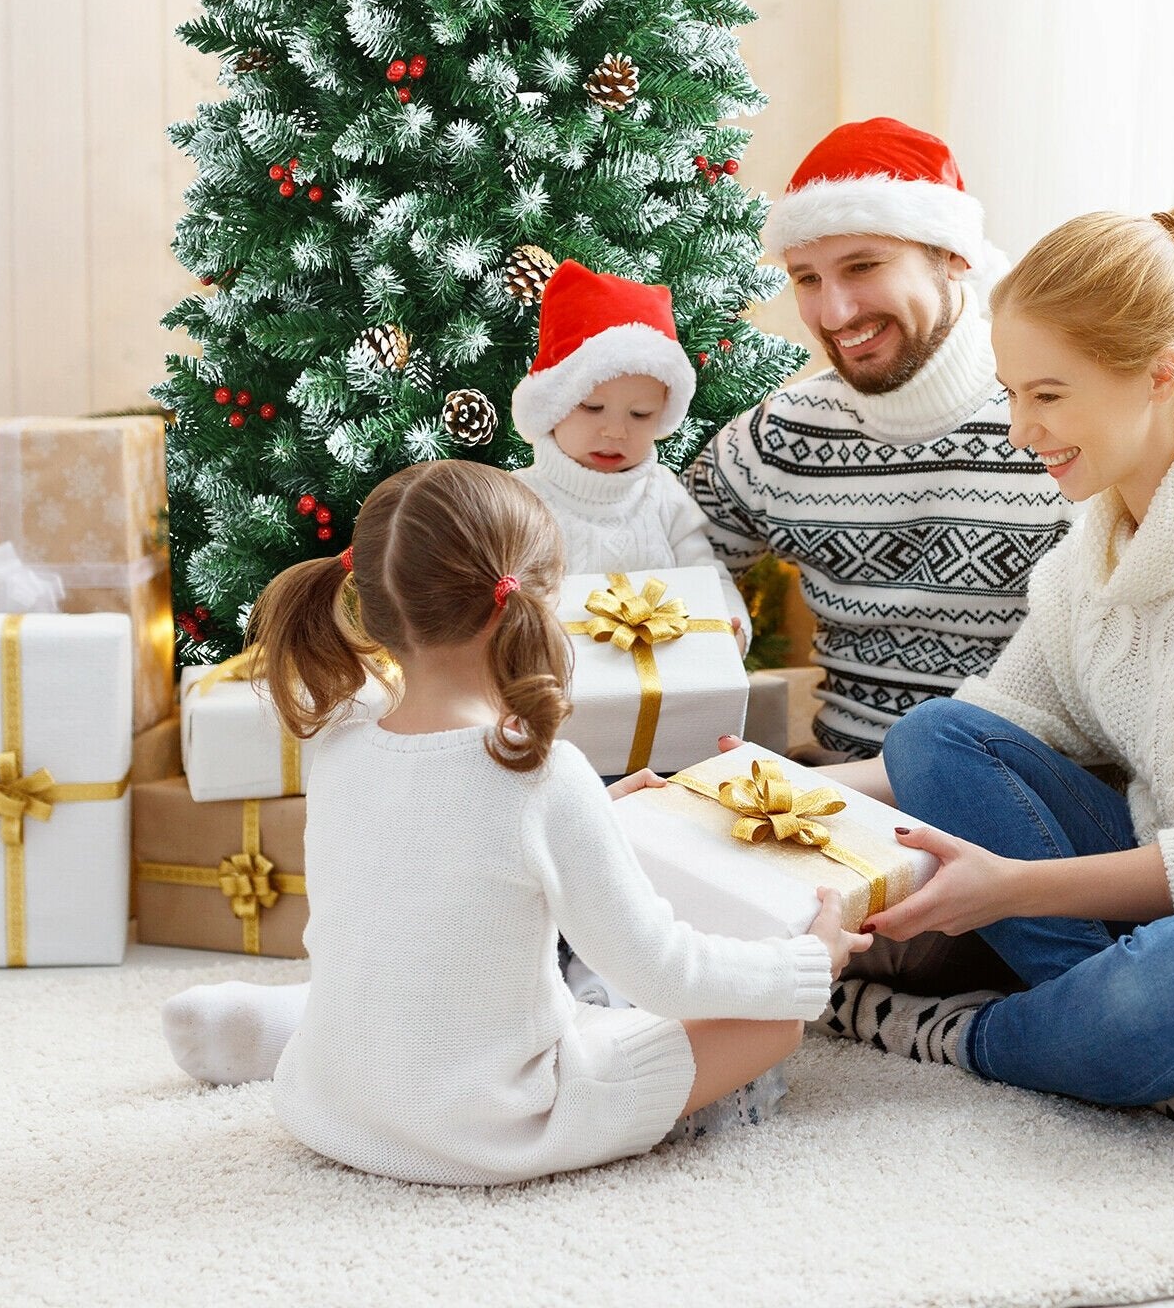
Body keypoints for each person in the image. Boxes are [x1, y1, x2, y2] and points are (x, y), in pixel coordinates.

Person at [822, 206, 1174, 1146]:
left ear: (1160, 374)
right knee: (935, 735)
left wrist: (1010, 890)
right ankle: (1128, 1045)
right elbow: (997, 730)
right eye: (1010, 394)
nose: (1020, 430)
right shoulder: (1094, 548)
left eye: (1048, 395)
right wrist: (747, 790)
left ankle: (957, 1031)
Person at [158, 459, 864, 1186]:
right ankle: (319, 1031)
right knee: (773, 1024)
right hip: (494, 1128)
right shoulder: (541, 773)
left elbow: (428, 857)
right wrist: (810, 961)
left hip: (328, 1104)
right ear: (531, 599)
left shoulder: (337, 740)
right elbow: (662, 972)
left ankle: (304, 1031)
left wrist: (595, 823)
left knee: (421, 957)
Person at [687, 117, 1072, 763]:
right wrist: (717, 609)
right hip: (839, 802)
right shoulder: (780, 435)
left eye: (862, 266)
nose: (834, 315)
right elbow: (669, 548)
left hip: (1018, 802)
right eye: (807, 278)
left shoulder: (1059, 424)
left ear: (954, 256)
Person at [511, 258, 750, 647]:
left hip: (662, 687)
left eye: (640, 415)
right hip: (554, 690)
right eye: (592, 408)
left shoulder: (664, 494)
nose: (616, 431)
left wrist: (727, 627)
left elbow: (707, 576)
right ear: (553, 405)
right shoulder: (519, 499)